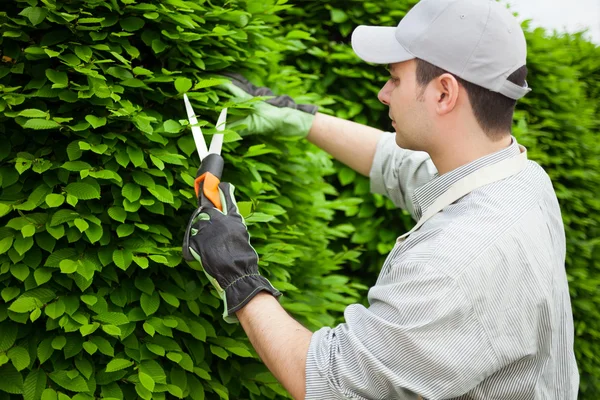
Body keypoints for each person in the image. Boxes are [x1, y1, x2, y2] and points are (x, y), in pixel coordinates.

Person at [182, 0, 579, 398]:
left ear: (444, 93)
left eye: (395, 79)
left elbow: (331, 382)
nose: (383, 93)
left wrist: (237, 273)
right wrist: (298, 117)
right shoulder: (520, 178)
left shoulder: (457, 263)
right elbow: (398, 163)